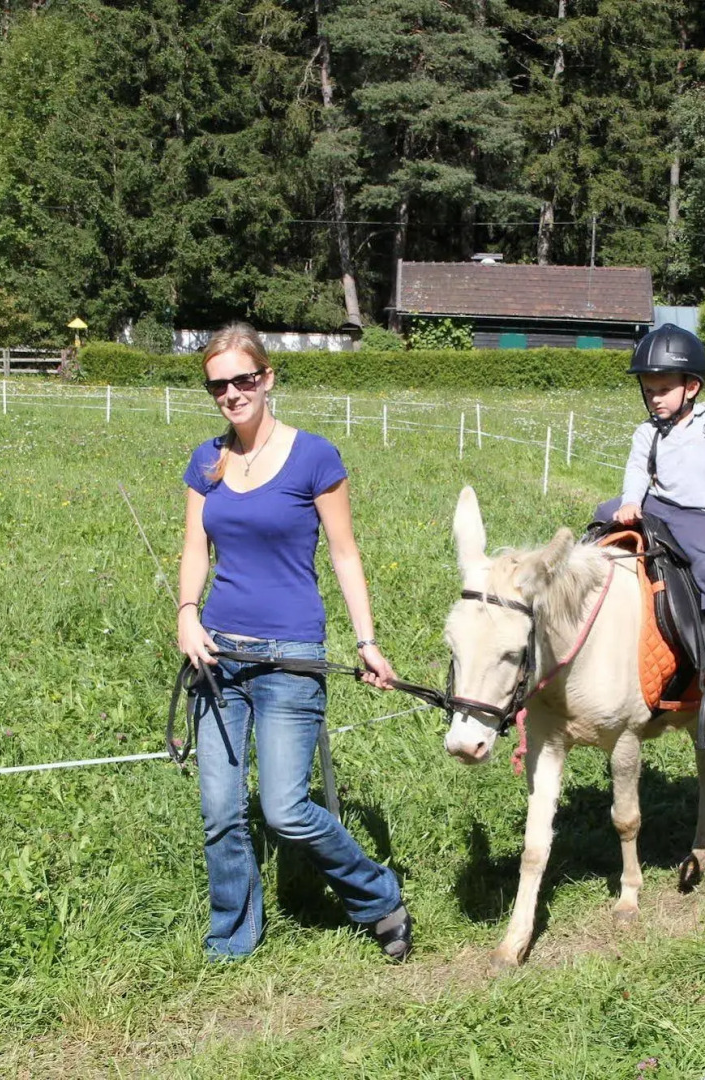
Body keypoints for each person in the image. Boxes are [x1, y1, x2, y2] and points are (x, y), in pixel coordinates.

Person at [176, 322, 412, 962]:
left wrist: (366, 640)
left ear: (267, 378)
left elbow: (344, 554)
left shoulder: (315, 457)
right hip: (217, 655)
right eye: (218, 385)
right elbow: (197, 546)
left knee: (283, 811)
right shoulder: (206, 461)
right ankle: (232, 937)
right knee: (221, 812)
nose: (231, 393)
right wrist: (187, 614)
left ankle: (378, 895)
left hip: (290, 657)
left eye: (242, 379)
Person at [596, 324, 705, 675]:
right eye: (649, 392)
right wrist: (631, 501)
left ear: (691, 387)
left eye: (663, 390)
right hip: (659, 503)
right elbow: (636, 470)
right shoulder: (646, 431)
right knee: (604, 512)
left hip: (699, 513)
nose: (655, 399)